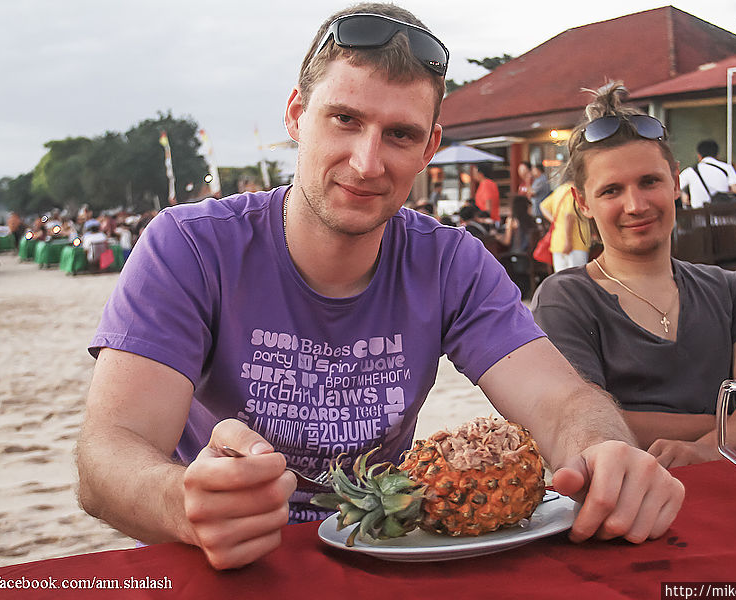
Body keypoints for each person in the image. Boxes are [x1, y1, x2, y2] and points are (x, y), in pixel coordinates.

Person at [76, 4, 683, 571]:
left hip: (378, 553)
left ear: (429, 148)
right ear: (296, 115)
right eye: (345, 119)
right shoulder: (191, 246)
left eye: (400, 134)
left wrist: (603, 450)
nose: (368, 163)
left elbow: (561, 401)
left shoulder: (450, 263)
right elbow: (109, 453)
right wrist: (179, 499)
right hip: (212, 560)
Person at [531, 82, 736, 469]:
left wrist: (706, 449)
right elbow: (586, 420)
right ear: (583, 202)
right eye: (612, 190)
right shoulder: (566, 297)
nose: (636, 205)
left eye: (650, 182)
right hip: (625, 497)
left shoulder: (730, 290)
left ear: (675, 182)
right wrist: (728, 425)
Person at [540, 181, 591, 273]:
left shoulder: (559, 190)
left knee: (561, 279)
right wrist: (568, 241)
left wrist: (554, 220)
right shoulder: (574, 192)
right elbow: (569, 216)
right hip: (575, 243)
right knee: (576, 279)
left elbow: (543, 206)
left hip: (558, 241)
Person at [678, 139, 736, 207]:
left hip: (699, 214)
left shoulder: (690, 171)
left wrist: (684, 194)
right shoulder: (727, 168)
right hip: (722, 214)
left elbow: (676, 187)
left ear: (699, 156)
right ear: (717, 155)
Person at [500, 195, 538, 297]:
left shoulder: (512, 220)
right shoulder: (532, 221)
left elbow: (506, 241)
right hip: (531, 256)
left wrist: (498, 237)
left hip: (518, 256)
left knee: (499, 259)